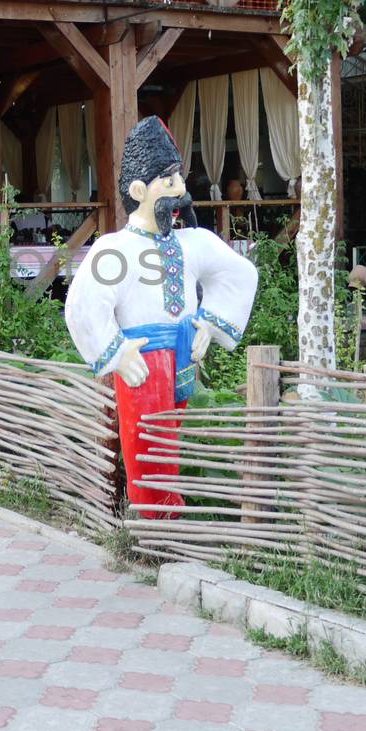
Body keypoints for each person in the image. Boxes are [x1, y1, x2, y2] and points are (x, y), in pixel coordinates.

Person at [64, 118, 258, 517]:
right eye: (167, 182)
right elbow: (85, 303)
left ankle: (170, 516)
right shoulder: (115, 250)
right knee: (147, 440)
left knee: (171, 436)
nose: (181, 190)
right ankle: (157, 520)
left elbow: (238, 273)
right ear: (138, 191)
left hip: (184, 350)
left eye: (178, 179)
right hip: (144, 356)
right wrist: (115, 352)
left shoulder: (193, 242)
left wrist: (208, 321)